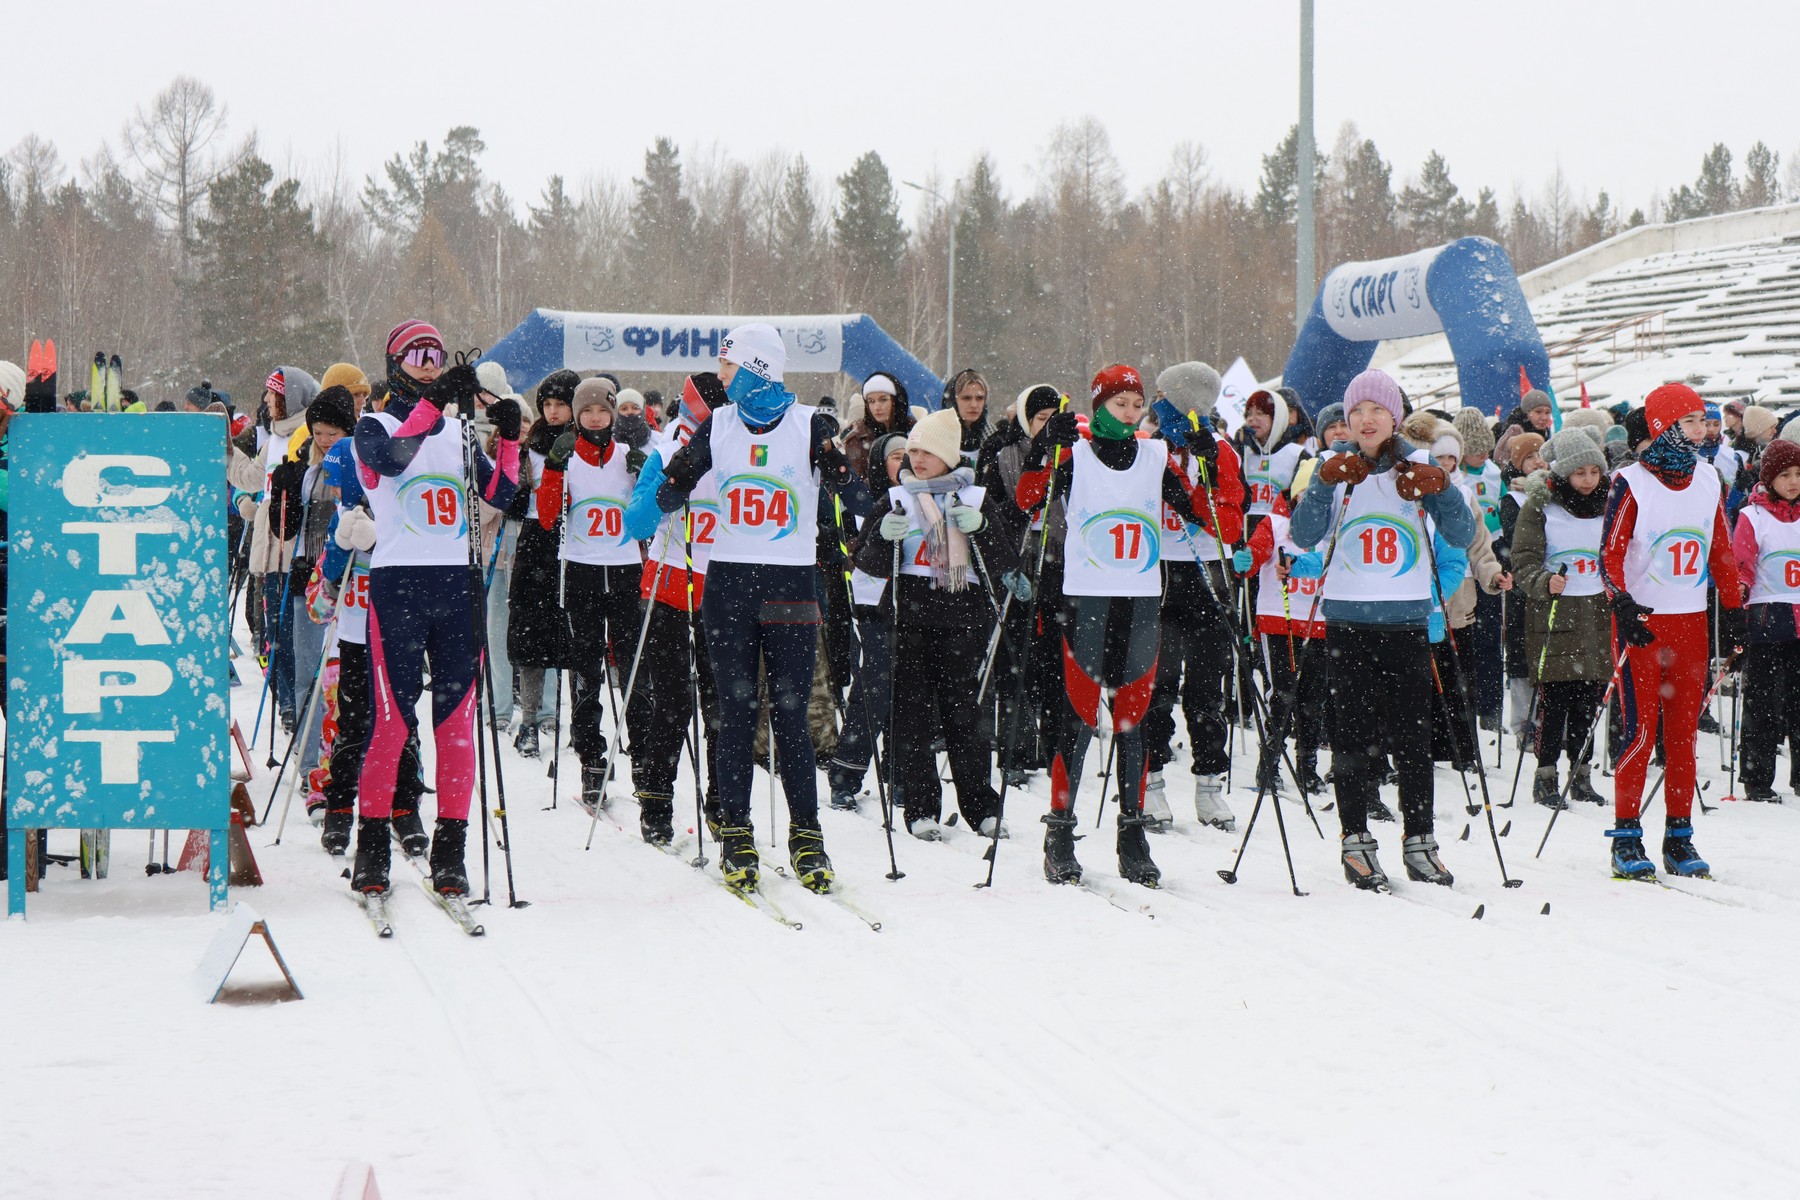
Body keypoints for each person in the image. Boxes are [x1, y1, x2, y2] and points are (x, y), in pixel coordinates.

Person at [1015, 363, 1242, 887]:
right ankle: (1059, 832)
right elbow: (1028, 500)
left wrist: (1210, 464)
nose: (1133, 413)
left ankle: (1132, 833)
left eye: (1138, 404)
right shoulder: (1073, 455)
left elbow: (1206, 517)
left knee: (1133, 721)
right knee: (1076, 719)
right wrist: (1041, 448)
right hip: (1086, 600)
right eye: (1121, 404)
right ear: (1099, 406)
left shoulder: (1156, 455)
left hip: (1140, 602)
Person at [656, 323, 862, 894]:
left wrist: (840, 467)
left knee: (791, 714)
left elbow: (859, 494)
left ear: (754, 369)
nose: (720, 379)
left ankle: (807, 834)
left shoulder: (810, 424)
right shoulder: (718, 424)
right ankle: (737, 831)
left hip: (792, 589)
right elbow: (668, 494)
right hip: (729, 590)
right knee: (735, 713)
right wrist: (675, 476)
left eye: (727, 368)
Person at [350, 320, 524, 897]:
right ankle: (372, 845)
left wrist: (510, 441)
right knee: (392, 723)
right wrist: (430, 404)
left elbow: (502, 495)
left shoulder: (456, 433)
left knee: (454, 728)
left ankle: (452, 849)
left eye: (436, 355)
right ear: (395, 361)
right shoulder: (374, 426)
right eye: (417, 355)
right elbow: (396, 461)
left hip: (456, 587)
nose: (429, 363)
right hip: (398, 587)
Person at [1289, 368, 1477, 890]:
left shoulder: (1418, 464)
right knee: (1352, 735)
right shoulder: (1331, 463)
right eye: (1357, 412)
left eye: (1377, 410)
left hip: (1407, 618)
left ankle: (1419, 840)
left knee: (1414, 737)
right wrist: (1323, 486)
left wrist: (1440, 491)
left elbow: (1461, 533)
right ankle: (1355, 842)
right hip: (1348, 619)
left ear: (1394, 416)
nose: (1367, 420)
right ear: (1346, 420)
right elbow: (1303, 537)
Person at [1600, 383, 1744, 880]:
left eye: (1705, 421)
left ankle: (1679, 837)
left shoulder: (1709, 480)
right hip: (1643, 624)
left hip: (1691, 624)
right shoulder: (1630, 481)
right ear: (1665, 427)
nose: (1704, 430)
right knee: (1641, 732)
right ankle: (1625, 836)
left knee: (1682, 736)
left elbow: (1720, 549)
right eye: (1691, 422)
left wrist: (1735, 608)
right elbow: (1611, 553)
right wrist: (1621, 602)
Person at [857, 408, 1015, 838]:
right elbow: (866, 562)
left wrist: (980, 528)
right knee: (912, 715)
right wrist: (880, 537)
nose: (918, 459)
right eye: (912, 451)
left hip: (961, 613)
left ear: (949, 455)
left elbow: (1003, 560)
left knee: (964, 713)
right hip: (909, 613)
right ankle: (921, 806)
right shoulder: (897, 498)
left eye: (928, 451)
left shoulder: (974, 497)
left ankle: (980, 805)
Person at [622, 372, 728, 843]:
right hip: (669, 584)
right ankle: (657, 797)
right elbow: (635, 522)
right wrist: (667, 493)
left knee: (722, 703)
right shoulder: (666, 451)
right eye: (698, 409)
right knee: (673, 700)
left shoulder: (734, 454)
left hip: (723, 591)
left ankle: (724, 800)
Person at [537, 375, 647, 811]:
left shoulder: (627, 455)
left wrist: (646, 478)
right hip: (581, 570)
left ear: (614, 412)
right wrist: (552, 468)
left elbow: (648, 519)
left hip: (624, 573)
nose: (596, 418)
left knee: (634, 669)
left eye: (603, 410)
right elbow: (547, 519)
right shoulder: (566, 459)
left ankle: (642, 754)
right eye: (587, 412)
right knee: (586, 669)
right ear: (578, 417)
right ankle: (591, 756)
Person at [1142, 360, 1244, 830]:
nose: (1156, 407)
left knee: (1206, 690)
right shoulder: (1147, 449)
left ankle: (1209, 787)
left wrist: (1204, 475)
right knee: (1156, 687)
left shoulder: (1221, 450)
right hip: (1157, 574)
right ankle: (1153, 781)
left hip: (1206, 576)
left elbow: (1229, 524)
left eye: (1165, 398)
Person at [1510, 429, 1612, 808]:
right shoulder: (1540, 506)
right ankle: (1546, 775)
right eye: (1579, 473)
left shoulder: (1610, 503)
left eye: (1593, 471)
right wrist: (1542, 581)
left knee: (1589, 700)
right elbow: (1522, 560)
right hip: (1555, 613)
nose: (1588, 480)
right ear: (1563, 474)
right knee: (1556, 702)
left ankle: (1582, 773)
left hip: (1598, 613)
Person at [508, 370, 577, 754]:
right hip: (536, 539)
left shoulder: (586, 441)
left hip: (574, 539)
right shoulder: (531, 442)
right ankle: (530, 721)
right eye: (547, 404)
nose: (553, 412)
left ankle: (579, 719)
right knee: (531, 634)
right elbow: (515, 502)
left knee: (574, 632)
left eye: (560, 404)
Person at [1731, 438, 1800, 803]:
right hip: (1766, 619)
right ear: (1770, 477)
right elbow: (1741, 562)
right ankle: (1757, 778)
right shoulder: (1753, 516)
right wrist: (1738, 594)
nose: (1793, 482)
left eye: (1799, 474)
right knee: (1763, 702)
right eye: (1786, 475)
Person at [841, 371, 916, 484]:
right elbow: (856, 488)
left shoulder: (916, 430)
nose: (877, 407)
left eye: (883, 399)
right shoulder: (856, 440)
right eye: (871, 401)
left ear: (895, 400)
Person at [945, 368, 991, 468]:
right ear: (953, 401)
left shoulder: (994, 438)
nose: (974, 405)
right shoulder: (937, 435)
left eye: (979, 398)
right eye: (966, 398)